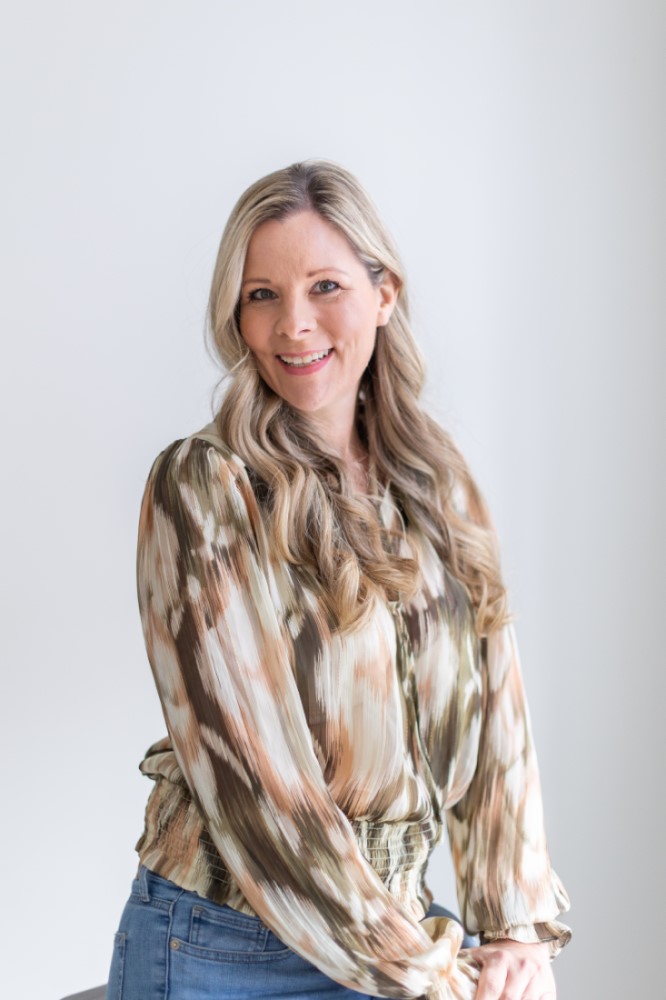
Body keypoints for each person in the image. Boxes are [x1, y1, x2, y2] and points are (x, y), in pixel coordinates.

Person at [106, 160, 571, 1000]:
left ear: (383, 293)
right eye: (261, 295)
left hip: (398, 938)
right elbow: (260, 791)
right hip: (224, 951)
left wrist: (513, 929)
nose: (294, 325)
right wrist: (426, 970)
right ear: (235, 316)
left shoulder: (436, 482)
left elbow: (498, 719)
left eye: (325, 286)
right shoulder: (205, 487)